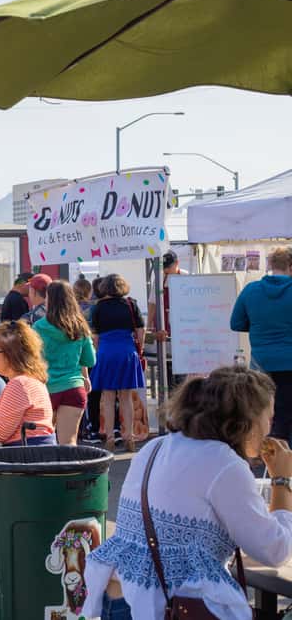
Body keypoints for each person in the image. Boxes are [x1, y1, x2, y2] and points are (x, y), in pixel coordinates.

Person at [82, 367, 292, 620]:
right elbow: (274, 551)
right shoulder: (224, 464)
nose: (270, 428)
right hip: (164, 605)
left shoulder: (155, 446)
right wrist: (282, 480)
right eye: (268, 418)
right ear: (248, 420)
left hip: (119, 597)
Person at [231, 246, 292, 444]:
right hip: (289, 363)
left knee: (262, 413)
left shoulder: (251, 290)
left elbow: (236, 323)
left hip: (260, 364)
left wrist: (260, 324)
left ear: (271, 265)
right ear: (290, 266)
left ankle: (264, 451)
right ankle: (284, 456)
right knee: (287, 415)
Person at [34, 281, 96, 445]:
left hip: (46, 389)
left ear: (50, 300)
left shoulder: (38, 327)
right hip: (73, 387)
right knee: (69, 443)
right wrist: (85, 376)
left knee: (44, 442)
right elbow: (90, 360)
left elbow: (32, 360)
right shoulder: (80, 327)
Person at [90, 274, 145, 453]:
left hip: (106, 352)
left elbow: (95, 336)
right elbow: (140, 331)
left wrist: (98, 352)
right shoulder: (131, 304)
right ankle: (129, 436)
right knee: (126, 397)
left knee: (108, 397)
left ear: (104, 288)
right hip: (127, 351)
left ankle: (110, 437)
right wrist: (140, 349)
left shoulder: (98, 307)